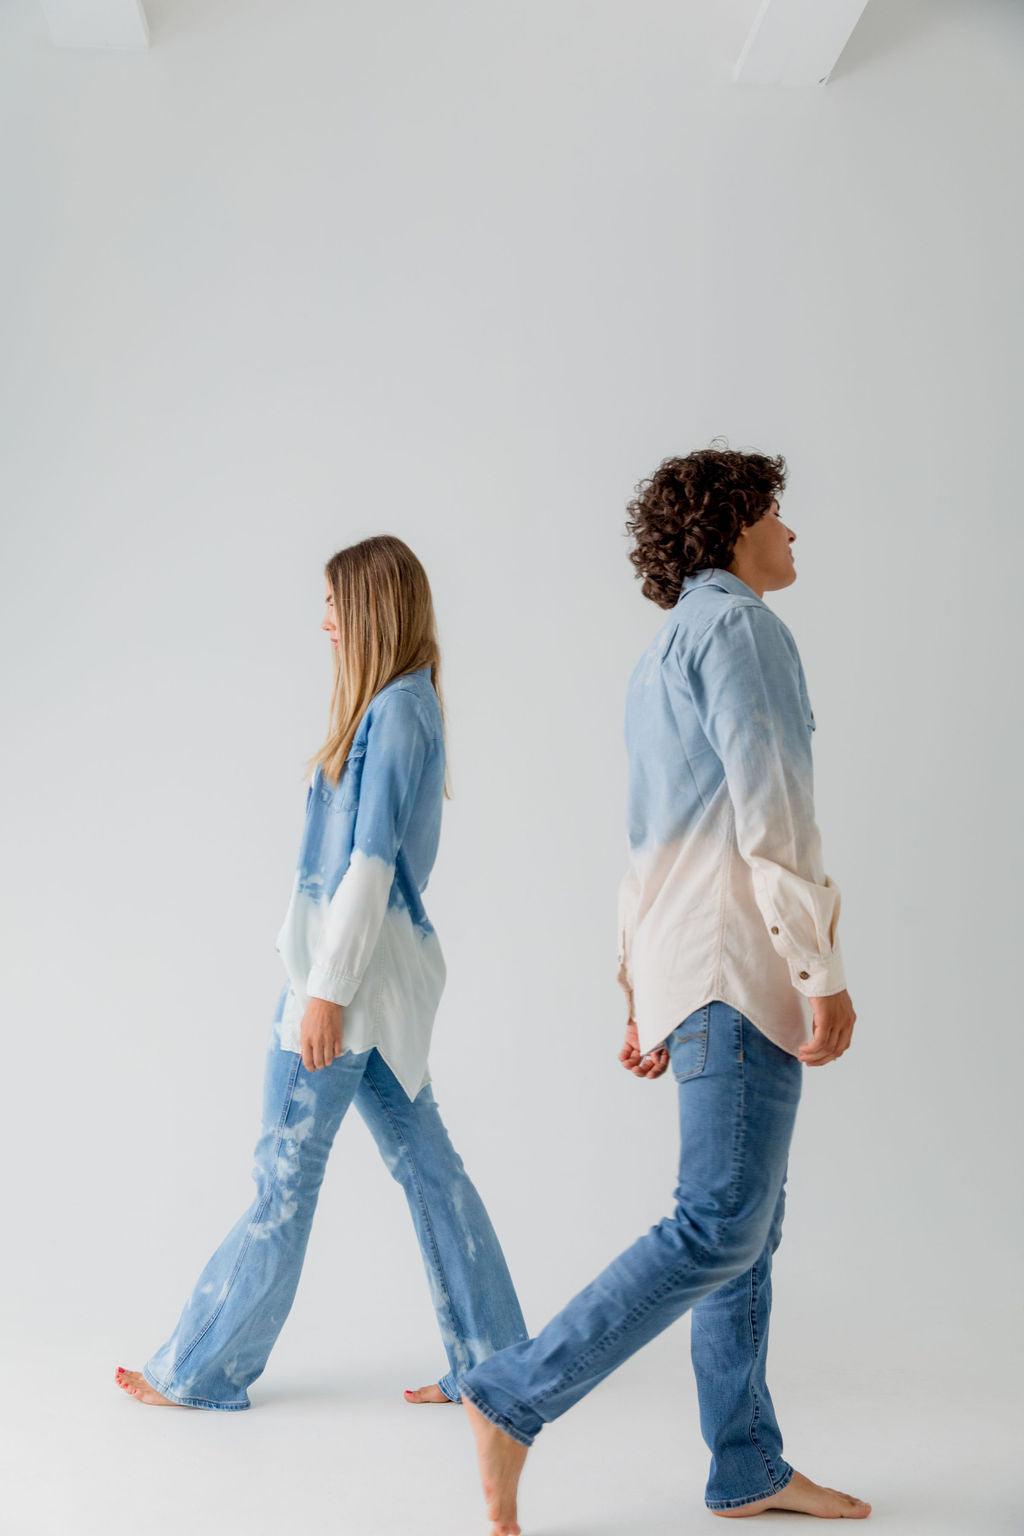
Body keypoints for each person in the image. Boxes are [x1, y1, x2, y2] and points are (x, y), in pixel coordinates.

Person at [458, 446, 871, 1530]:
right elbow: (771, 815)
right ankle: (511, 1394)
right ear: (737, 524)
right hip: (740, 966)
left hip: (694, 966)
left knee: (746, 1229)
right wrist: (817, 967)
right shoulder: (740, 630)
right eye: (780, 517)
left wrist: (640, 990)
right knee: (721, 1223)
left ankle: (746, 1469)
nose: (791, 538)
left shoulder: (662, 652)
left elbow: (648, 844)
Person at [115, 534, 527, 1411]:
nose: (326, 621)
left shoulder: (399, 713)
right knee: (428, 1165)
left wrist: (324, 995)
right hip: (373, 985)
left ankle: (201, 1369)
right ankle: (498, 1364)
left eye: (337, 603)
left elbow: (370, 867)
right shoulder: (400, 706)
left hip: (348, 989)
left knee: (285, 1171)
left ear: (373, 609)